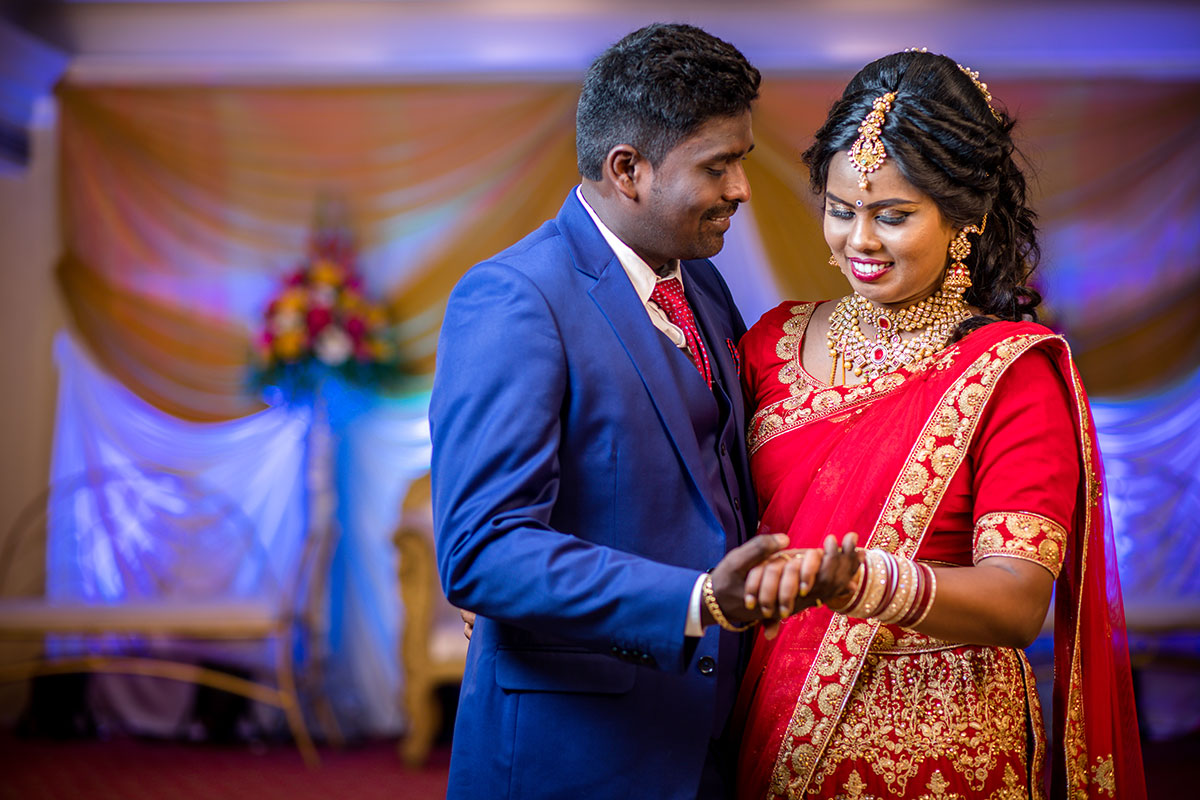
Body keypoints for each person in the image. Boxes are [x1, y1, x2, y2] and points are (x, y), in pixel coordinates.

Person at [730, 51, 1147, 799]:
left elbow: (1017, 602)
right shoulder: (770, 342)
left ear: (965, 217)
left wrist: (863, 581)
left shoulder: (1011, 373)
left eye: (892, 216)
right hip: (771, 727)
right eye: (840, 209)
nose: (859, 240)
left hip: (943, 750)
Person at [430, 23, 824, 799]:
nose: (742, 190)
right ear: (628, 169)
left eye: (742, 161)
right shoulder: (515, 298)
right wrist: (694, 601)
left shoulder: (700, 282)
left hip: (711, 740)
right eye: (718, 166)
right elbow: (482, 549)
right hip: (573, 753)